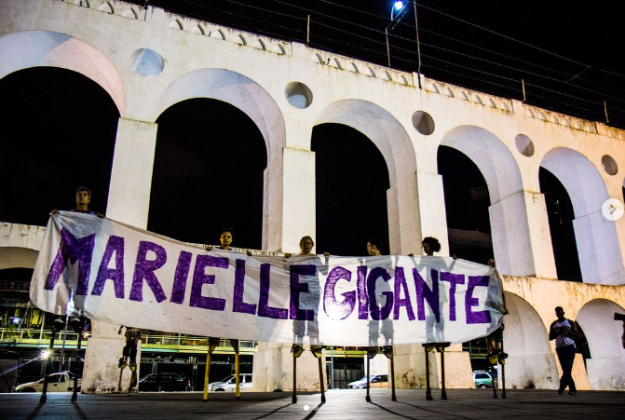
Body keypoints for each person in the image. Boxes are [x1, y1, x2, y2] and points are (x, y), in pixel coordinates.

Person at [549, 306, 579, 395]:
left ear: (563, 313)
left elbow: (577, 334)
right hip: (560, 347)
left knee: (568, 366)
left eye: (560, 313)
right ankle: (568, 388)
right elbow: (550, 337)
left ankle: (565, 387)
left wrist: (568, 332)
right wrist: (558, 332)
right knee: (565, 368)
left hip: (570, 346)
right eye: (557, 313)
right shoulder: (554, 324)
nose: (559, 315)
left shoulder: (570, 322)